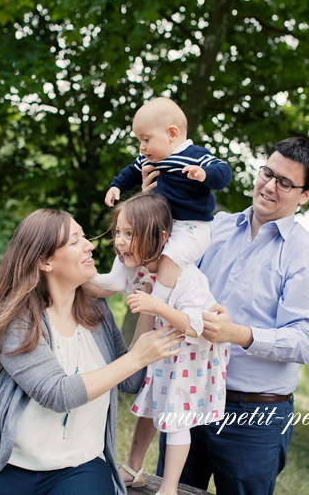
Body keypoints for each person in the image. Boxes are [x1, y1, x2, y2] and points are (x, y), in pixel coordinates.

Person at [0, 209, 184, 495]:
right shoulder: (17, 321)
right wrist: (137, 357)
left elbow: (130, 381)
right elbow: (57, 393)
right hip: (11, 465)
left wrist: (148, 304)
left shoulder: (97, 312)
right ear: (45, 261)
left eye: (84, 237)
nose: (90, 245)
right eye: (76, 241)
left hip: (80, 466)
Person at [153, 136, 309, 495]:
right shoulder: (213, 226)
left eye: (285, 183)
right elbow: (164, 270)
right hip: (190, 392)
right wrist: (149, 200)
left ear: (305, 195)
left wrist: (237, 333)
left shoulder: (306, 255)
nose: (269, 186)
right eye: (267, 173)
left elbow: (306, 341)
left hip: (254, 417)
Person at [92, 193, 230, 495]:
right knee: (150, 407)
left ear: (162, 237)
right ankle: (133, 468)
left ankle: (168, 489)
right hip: (166, 351)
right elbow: (106, 286)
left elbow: (195, 326)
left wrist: (156, 305)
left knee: (176, 418)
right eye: (118, 232)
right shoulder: (140, 268)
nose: (120, 242)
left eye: (130, 234)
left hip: (191, 358)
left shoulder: (187, 277)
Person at [92, 97, 231, 313]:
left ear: (172, 134)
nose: (142, 146)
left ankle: (158, 299)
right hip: (162, 223)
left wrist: (204, 174)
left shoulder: (195, 156)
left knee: (169, 257)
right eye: (139, 140)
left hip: (191, 227)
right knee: (131, 241)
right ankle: (117, 278)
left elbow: (223, 172)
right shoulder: (150, 159)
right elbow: (130, 172)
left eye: (146, 139)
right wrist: (116, 186)